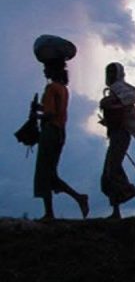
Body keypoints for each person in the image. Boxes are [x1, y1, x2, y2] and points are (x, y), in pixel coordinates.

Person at [33, 60, 89, 221]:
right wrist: (39, 108)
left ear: (52, 70)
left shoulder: (51, 88)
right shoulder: (63, 89)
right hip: (59, 132)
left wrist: (36, 115)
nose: (44, 71)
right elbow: (56, 110)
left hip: (50, 132)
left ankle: (53, 211)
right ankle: (76, 199)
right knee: (50, 173)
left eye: (46, 68)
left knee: (45, 173)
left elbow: (51, 114)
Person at [99, 63, 135, 219]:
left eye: (111, 72)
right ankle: (118, 210)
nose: (108, 75)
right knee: (109, 172)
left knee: (112, 171)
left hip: (121, 135)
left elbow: (130, 100)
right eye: (107, 72)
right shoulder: (113, 91)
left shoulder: (121, 89)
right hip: (116, 134)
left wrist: (111, 103)